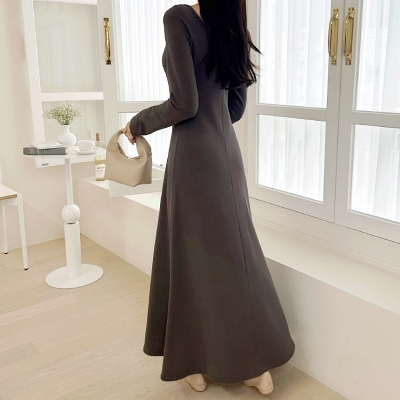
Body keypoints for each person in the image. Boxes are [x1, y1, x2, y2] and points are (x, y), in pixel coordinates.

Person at [122, 0, 295, 395]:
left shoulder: (179, 18)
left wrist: (138, 122)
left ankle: (193, 363)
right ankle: (254, 368)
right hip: (226, 153)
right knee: (235, 258)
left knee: (190, 260)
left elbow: (184, 104)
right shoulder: (231, 22)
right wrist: (211, 119)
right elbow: (234, 107)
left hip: (194, 157)